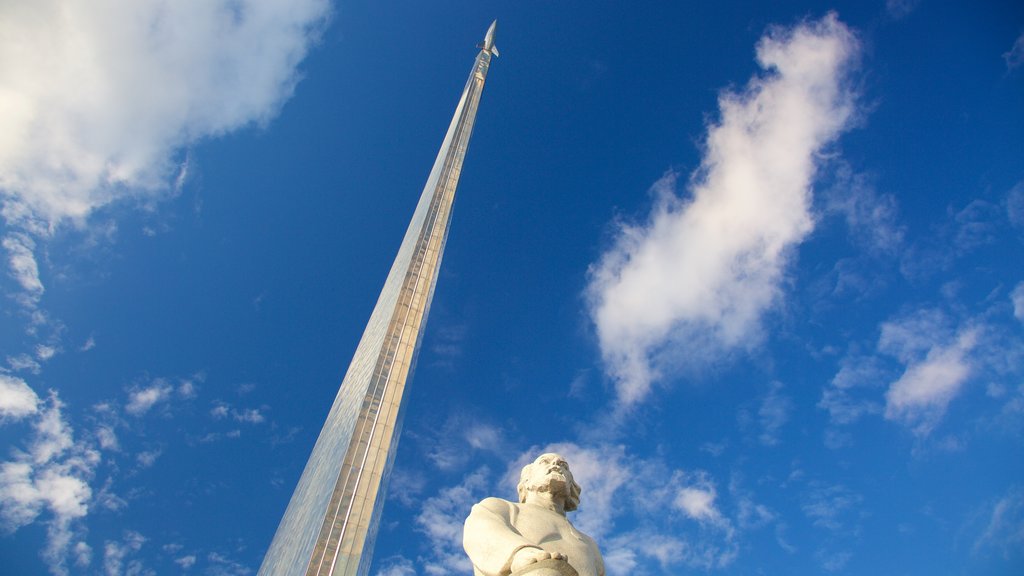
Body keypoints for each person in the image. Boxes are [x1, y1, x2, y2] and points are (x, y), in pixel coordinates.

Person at [463, 453, 605, 576]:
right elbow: (480, 530)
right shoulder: (501, 508)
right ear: (526, 480)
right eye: (544, 462)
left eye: (564, 465)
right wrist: (519, 554)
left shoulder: (589, 543)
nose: (556, 464)